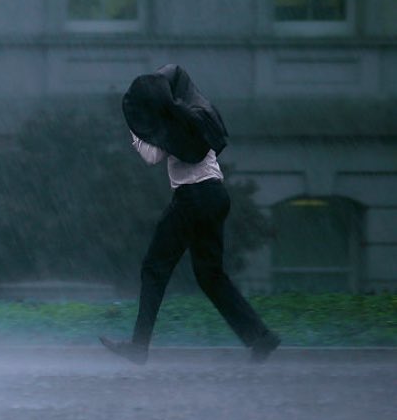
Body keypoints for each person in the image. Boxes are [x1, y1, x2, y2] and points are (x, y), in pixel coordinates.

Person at [100, 65, 280, 364]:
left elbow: (151, 156)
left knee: (154, 269)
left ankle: (139, 347)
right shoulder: (196, 115)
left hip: (191, 197)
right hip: (216, 195)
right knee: (211, 275)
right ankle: (260, 337)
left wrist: (135, 129)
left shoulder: (174, 123)